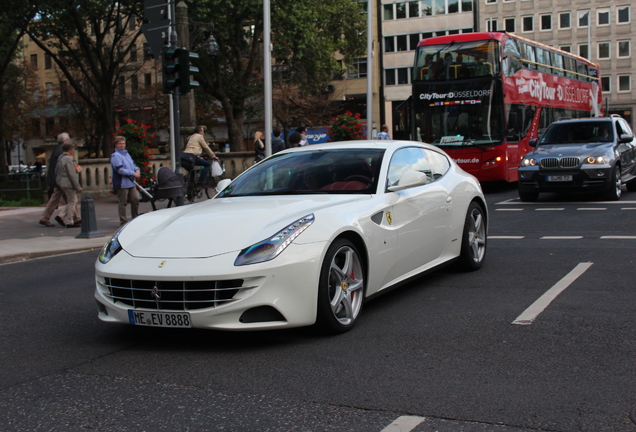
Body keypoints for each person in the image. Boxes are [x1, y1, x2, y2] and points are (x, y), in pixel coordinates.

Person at [39, 132, 74, 227]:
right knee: (69, 199)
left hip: (57, 179)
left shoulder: (57, 150)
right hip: (60, 180)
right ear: (65, 141)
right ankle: (47, 217)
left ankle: (75, 218)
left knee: (69, 199)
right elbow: (62, 167)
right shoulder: (61, 151)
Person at [110, 135, 141, 225]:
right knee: (123, 202)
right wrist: (132, 173)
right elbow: (120, 170)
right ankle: (123, 221)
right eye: (120, 144)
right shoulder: (115, 156)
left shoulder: (126, 154)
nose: (122, 145)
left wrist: (137, 169)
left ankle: (135, 217)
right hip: (122, 182)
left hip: (131, 182)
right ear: (116, 145)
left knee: (135, 199)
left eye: (123, 143)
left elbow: (132, 164)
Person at [56, 141, 82, 228]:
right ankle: (69, 221)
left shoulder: (61, 157)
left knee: (72, 200)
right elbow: (72, 174)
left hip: (61, 181)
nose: (74, 150)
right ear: (70, 149)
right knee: (72, 201)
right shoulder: (68, 159)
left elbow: (56, 170)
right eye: (73, 148)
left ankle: (61, 215)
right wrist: (77, 186)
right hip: (68, 183)